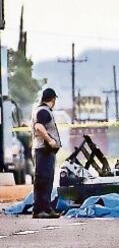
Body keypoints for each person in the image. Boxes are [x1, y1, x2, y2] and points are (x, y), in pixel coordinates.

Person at [31, 88, 62, 218]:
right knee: (44, 179)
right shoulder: (43, 111)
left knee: (43, 180)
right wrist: (50, 140)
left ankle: (42, 209)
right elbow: (39, 127)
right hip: (44, 151)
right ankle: (43, 209)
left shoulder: (41, 110)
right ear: (53, 99)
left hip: (43, 151)